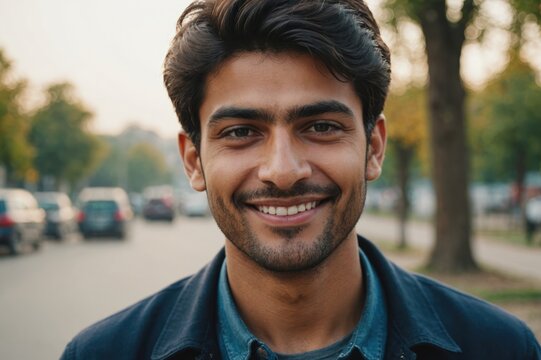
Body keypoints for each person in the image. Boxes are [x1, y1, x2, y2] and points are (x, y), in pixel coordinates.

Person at [61, 1, 541, 359]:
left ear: (373, 148)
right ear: (194, 161)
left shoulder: (501, 348)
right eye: (242, 132)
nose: (283, 171)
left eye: (321, 127)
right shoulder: (103, 353)